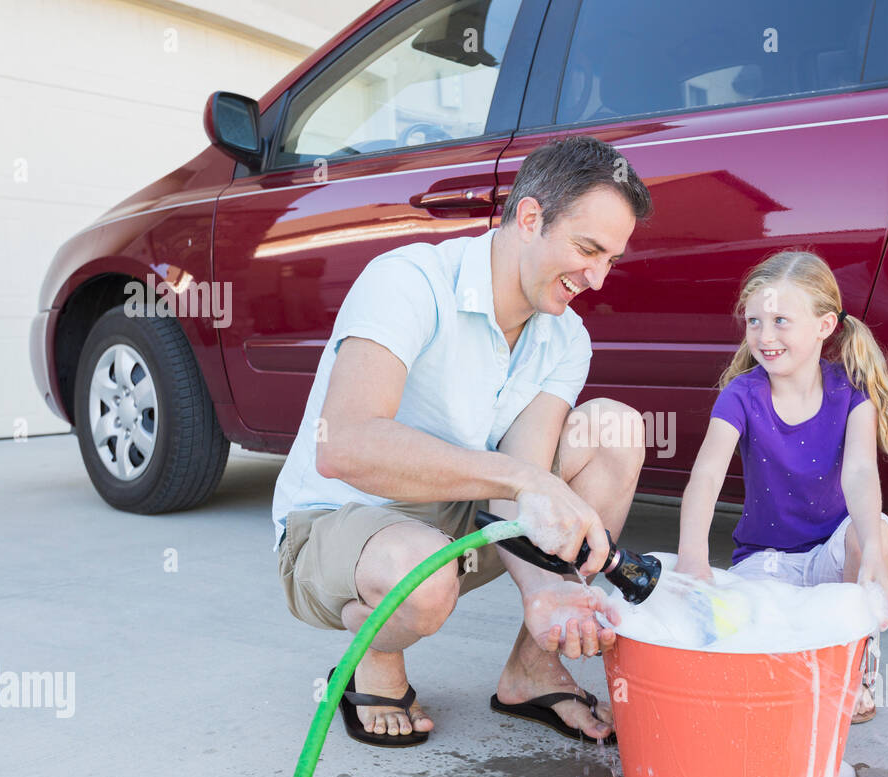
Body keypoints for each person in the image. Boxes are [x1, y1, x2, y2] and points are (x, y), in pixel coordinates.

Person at [273, 136, 653, 746]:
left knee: (614, 428)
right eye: (587, 249)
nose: (598, 278)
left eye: (611, 258)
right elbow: (343, 444)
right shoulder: (409, 282)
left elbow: (520, 481)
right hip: (336, 520)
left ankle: (530, 669)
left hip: (455, 516)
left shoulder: (564, 338)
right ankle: (375, 658)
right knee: (420, 578)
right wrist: (525, 481)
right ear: (529, 218)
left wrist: (547, 591)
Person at [674, 250, 888, 723]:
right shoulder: (742, 394)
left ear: (824, 326)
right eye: (755, 322)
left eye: (782, 321)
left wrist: (874, 561)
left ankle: (854, 664)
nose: (765, 337)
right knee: (742, 656)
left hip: (828, 556)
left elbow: (861, 473)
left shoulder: (850, 392)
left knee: (874, 530)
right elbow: (706, 476)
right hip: (765, 564)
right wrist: (692, 557)